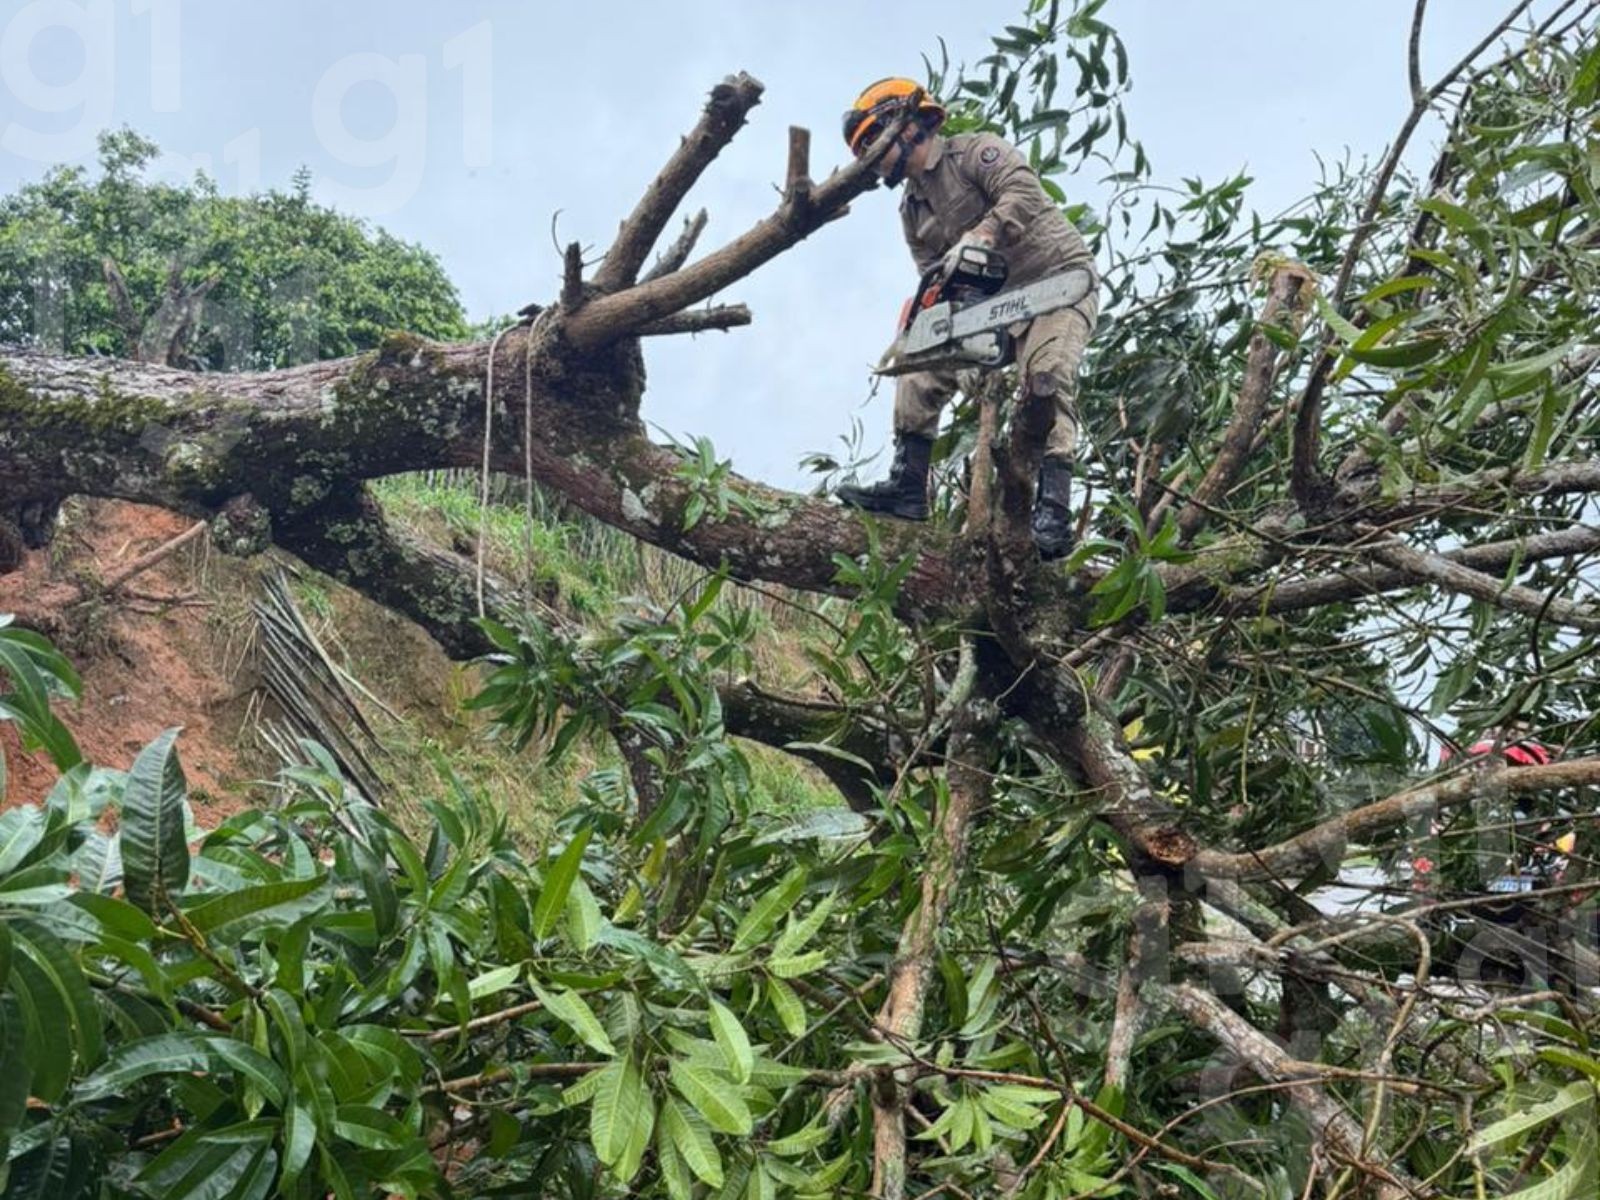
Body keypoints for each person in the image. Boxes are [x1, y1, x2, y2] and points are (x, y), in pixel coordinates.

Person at [835, 77, 1100, 558]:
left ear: (905, 124)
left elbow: (1023, 190)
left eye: (873, 139)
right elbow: (934, 278)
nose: (872, 155)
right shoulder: (911, 210)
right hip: (992, 306)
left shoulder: (974, 152)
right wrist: (939, 323)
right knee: (919, 356)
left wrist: (984, 233)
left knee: (1047, 375)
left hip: (1055, 282)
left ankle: (1053, 510)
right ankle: (908, 485)